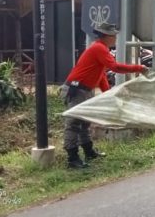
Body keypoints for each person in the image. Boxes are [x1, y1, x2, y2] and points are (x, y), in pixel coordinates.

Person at [61, 23, 147, 169]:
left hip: (86, 89)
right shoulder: (99, 48)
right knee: (74, 124)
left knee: (85, 122)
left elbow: (101, 74)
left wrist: (107, 93)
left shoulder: (101, 48)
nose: (115, 38)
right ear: (106, 36)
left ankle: (89, 152)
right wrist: (139, 68)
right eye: (113, 35)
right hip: (76, 89)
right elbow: (115, 67)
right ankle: (72, 158)